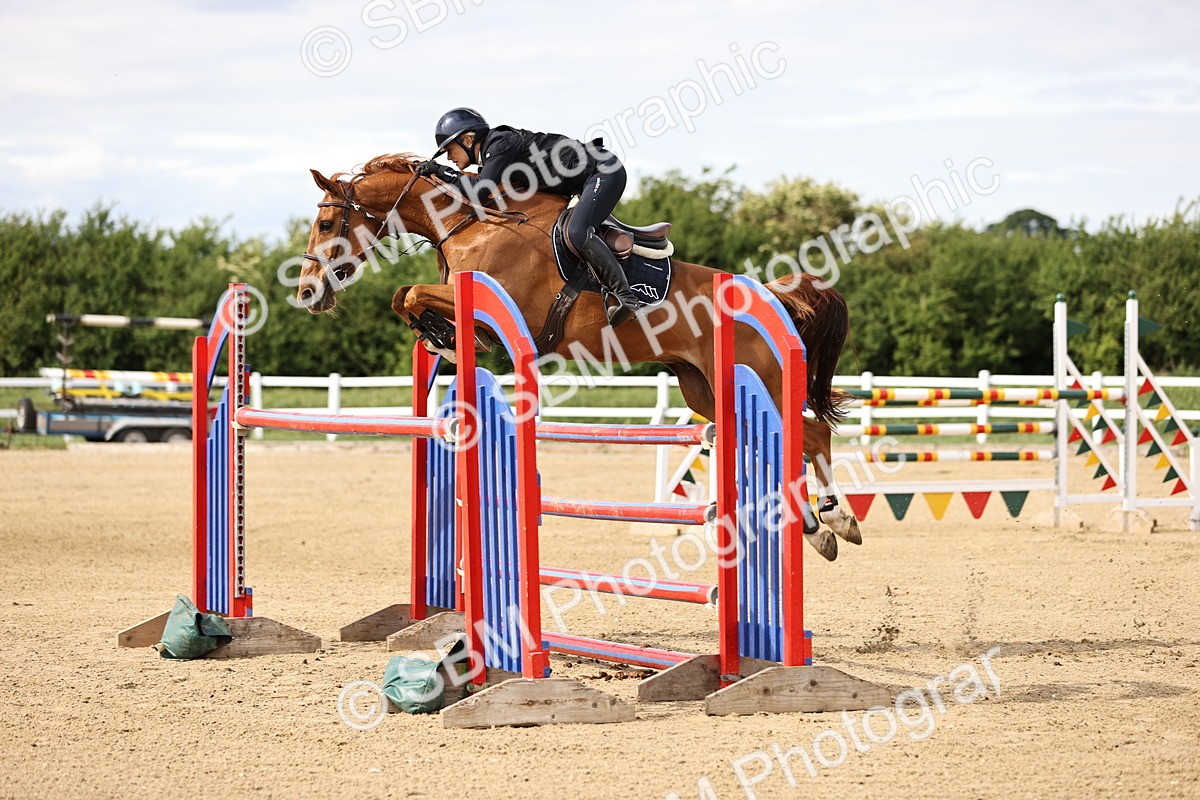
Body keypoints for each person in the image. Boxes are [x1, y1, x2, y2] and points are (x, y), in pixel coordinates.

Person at [416, 107, 643, 327]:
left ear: (467, 140)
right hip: (582, 182)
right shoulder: (492, 155)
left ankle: (626, 297)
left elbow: (480, 190)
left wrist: (440, 172)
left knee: (577, 231)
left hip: (602, 171)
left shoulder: (500, 142)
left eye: (449, 149)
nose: (448, 157)